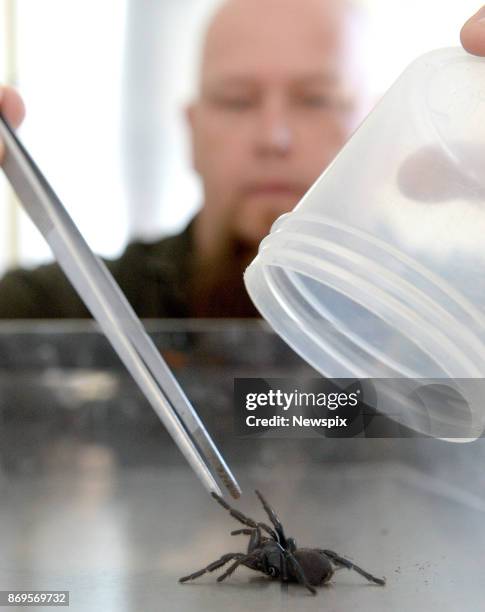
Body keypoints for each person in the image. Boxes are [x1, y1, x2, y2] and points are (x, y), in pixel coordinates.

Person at [0, 1, 483, 319]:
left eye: (315, 99)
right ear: (192, 133)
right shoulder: (74, 309)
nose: (273, 136)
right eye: (236, 101)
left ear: (375, 132)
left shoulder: (456, 313)